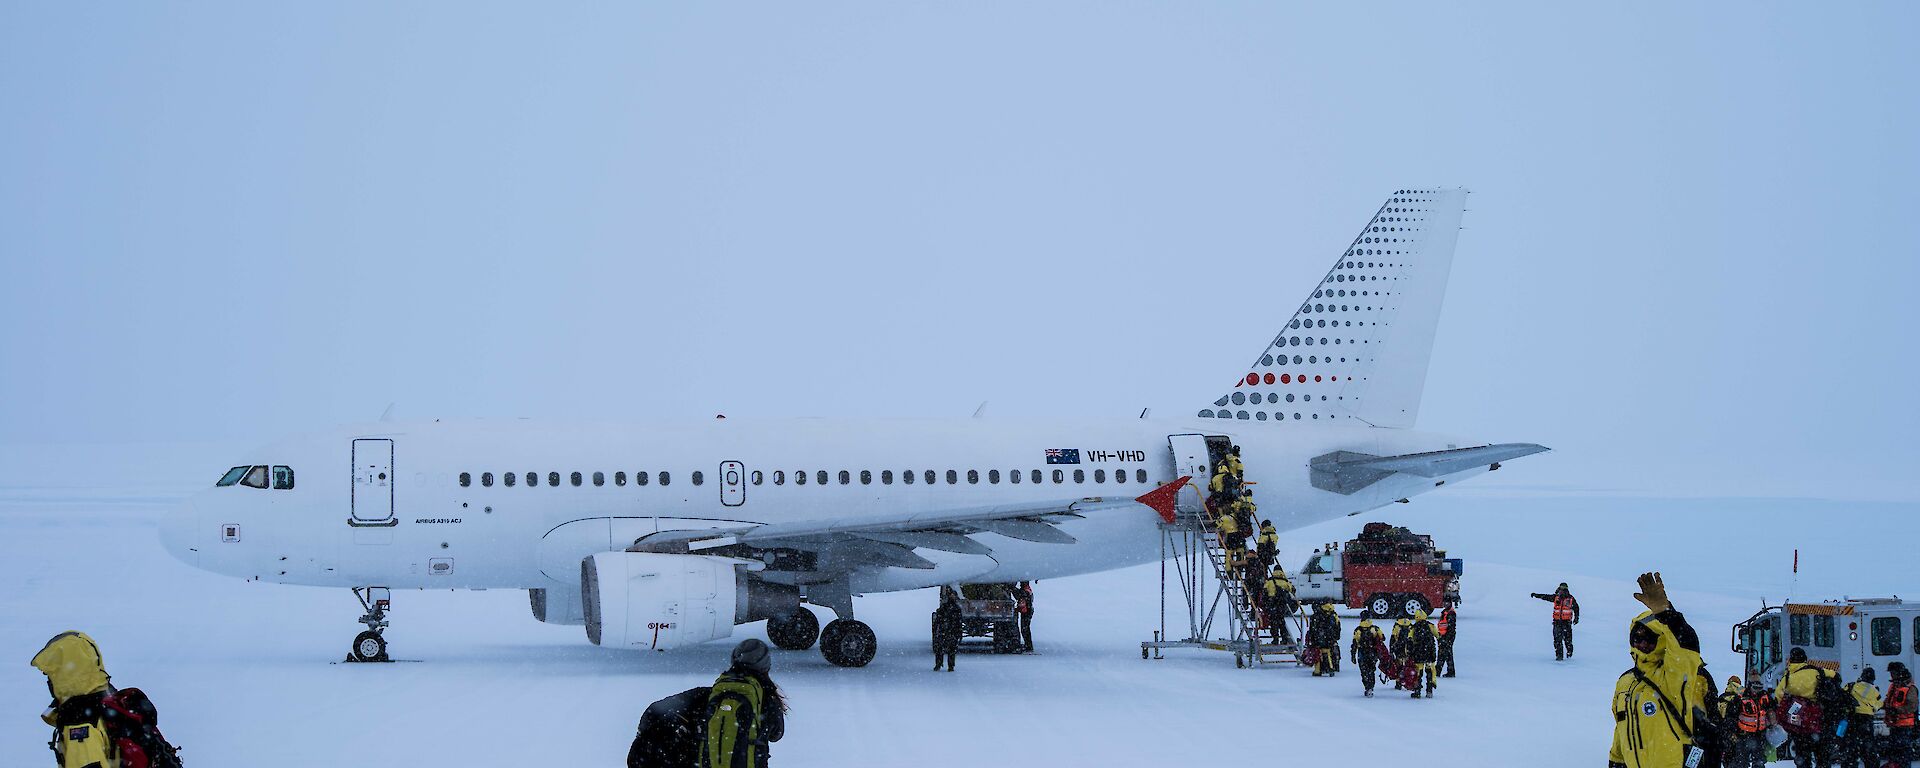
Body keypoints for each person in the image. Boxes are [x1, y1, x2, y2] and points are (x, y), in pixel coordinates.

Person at [1607, 572, 1711, 768]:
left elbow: (1686, 647)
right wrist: (1617, 760)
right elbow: (1621, 726)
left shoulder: (1672, 675)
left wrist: (1666, 613)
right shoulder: (1625, 682)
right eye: (1636, 638)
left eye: (1649, 637)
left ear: (1662, 639)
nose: (1642, 643)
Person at [703, 639, 785, 768]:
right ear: (764, 664)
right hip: (751, 762)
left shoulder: (719, 688)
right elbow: (776, 734)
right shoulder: (766, 695)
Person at [1775, 647, 1839, 768]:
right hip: (1818, 721)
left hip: (1800, 726)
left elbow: (1779, 697)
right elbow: (1835, 676)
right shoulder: (1817, 672)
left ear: (1791, 660)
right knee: (1822, 757)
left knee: (1803, 757)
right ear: (1805, 659)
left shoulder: (1788, 677)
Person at [1726, 678, 1774, 768]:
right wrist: (1732, 732)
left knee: (1759, 761)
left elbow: (1773, 709)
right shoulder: (1740, 698)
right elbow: (1731, 716)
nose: (1758, 690)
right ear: (1750, 686)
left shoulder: (1765, 697)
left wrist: (1773, 722)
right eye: (1755, 687)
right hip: (1743, 735)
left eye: (1760, 687)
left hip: (1759, 735)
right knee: (1741, 762)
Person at [1839, 666, 1882, 768]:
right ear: (1873, 679)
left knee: (1850, 750)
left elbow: (1841, 697)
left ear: (1862, 676)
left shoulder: (1851, 686)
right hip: (1866, 722)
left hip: (1851, 720)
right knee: (1868, 750)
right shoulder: (1875, 691)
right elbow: (1878, 706)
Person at [1530, 583, 1581, 660]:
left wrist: (1576, 617)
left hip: (1566, 623)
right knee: (1559, 640)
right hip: (1558, 623)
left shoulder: (1570, 599)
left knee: (1566, 641)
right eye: (1561, 589)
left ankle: (1568, 655)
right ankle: (1560, 657)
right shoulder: (1556, 597)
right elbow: (1546, 597)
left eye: (1564, 589)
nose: (1562, 591)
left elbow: (1576, 608)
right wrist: (1536, 595)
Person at [1885, 662, 1916, 765]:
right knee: (1895, 754)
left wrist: (1897, 710)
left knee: (1903, 754)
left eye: (1893, 672)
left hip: (1904, 726)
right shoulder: (1894, 686)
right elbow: (1889, 700)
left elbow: (1912, 706)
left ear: (1899, 673)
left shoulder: (1910, 688)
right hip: (1894, 724)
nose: (1891, 675)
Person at [1352, 618, 1386, 698]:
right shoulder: (1375, 629)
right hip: (1373, 653)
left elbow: (1354, 643)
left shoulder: (1358, 630)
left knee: (1364, 671)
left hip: (1362, 653)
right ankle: (1371, 686)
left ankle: (1367, 686)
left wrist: (1353, 655)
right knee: (1371, 670)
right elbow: (1383, 638)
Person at [1260, 570, 1295, 644]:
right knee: (1281, 621)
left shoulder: (1269, 582)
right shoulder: (1285, 582)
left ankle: (1275, 639)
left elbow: (1264, 592)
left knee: (1273, 622)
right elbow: (1293, 590)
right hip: (1282, 605)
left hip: (1272, 604)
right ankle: (1284, 638)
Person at [932, 588, 962, 671]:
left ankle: (950, 666)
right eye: (951, 595)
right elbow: (938, 619)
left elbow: (959, 622)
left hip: (952, 631)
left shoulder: (957, 609)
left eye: (954, 595)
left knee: (951, 650)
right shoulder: (945, 607)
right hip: (944, 630)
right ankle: (939, 664)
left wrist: (959, 632)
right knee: (940, 649)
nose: (952, 597)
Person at [1306, 603, 1340, 677]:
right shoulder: (1332, 615)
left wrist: (1312, 639)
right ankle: (1331, 667)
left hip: (1318, 639)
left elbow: (1312, 629)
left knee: (1317, 654)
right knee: (1328, 653)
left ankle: (1317, 670)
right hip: (1329, 638)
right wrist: (1334, 637)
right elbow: (1336, 627)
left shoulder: (1315, 617)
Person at [1435, 602, 1458, 678]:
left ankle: (1438, 671)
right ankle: (1450, 671)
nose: (1445, 604)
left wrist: (1447, 638)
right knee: (1447, 654)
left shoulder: (1450, 613)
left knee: (1443, 653)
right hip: (1443, 636)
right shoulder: (1445, 612)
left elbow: (1451, 627)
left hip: (1447, 636)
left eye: (1447, 603)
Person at [1014, 581, 1035, 654]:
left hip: (1027, 612)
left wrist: (1012, 588)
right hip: (1027, 611)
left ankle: (1029, 646)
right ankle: (1028, 645)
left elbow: (1019, 595)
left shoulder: (1025, 590)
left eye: (1021, 583)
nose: (1020, 584)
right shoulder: (1027, 589)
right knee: (1025, 629)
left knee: (1025, 629)